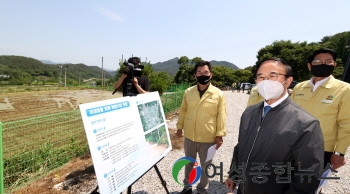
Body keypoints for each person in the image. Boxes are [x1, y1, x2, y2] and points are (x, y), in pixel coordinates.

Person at [225, 58, 324, 194]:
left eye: (273, 76)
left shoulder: (306, 124)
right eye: (261, 77)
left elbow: (307, 175)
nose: (266, 82)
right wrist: (234, 174)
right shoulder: (249, 112)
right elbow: (240, 147)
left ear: (288, 81)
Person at [291, 48, 350, 170]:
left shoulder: (345, 90)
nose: (323, 64)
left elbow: (347, 122)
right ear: (309, 66)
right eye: (317, 61)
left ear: (334, 65)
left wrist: (339, 152)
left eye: (328, 61)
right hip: (292, 145)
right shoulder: (299, 88)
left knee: (307, 185)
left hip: (322, 149)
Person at [176, 61, 227, 194]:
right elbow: (183, 110)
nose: (202, 75)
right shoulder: (189, 92)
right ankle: (187, 187)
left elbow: (221, 115)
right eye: (199, 72)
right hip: (190, 136)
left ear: (211, 74)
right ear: (195, 75)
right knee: (189, 163)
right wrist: (179, 127)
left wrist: (219, 134)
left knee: (206, 166)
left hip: (208, 136)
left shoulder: (218, 94)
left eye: (205, 72)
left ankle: (201, 189)